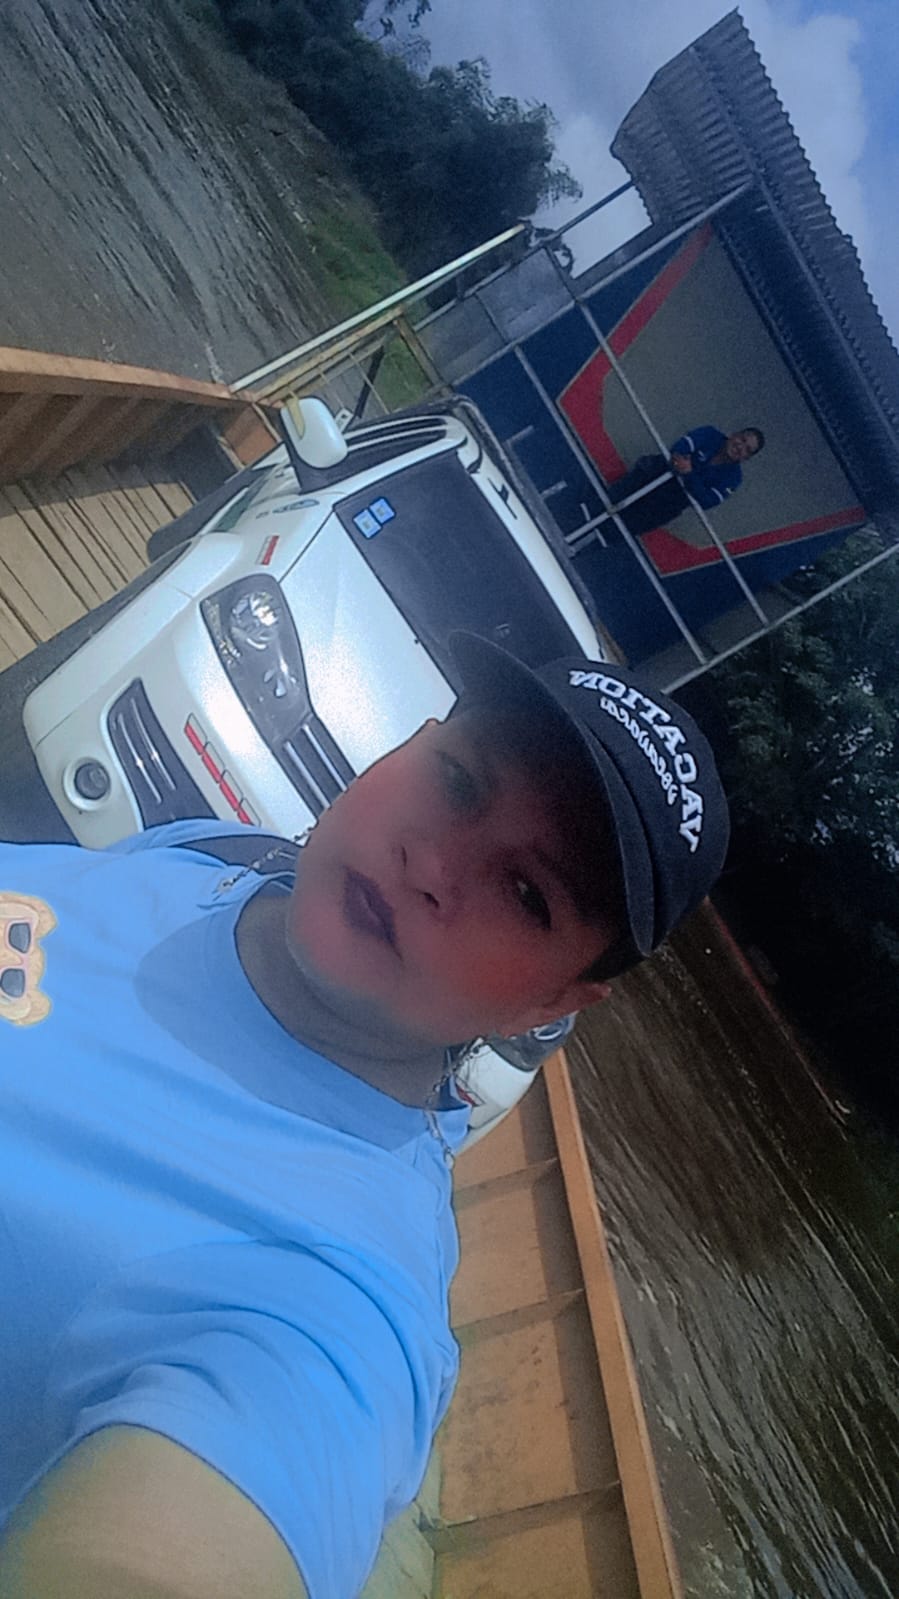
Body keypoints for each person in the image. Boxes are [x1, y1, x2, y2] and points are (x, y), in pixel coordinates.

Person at [0, 632, 729, 1599]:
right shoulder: (225, 856)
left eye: (527, 892)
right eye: (459, 781)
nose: (435, 863)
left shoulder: (330, 1295)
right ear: (409, 743)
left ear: (549, 1005)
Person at [610, 425, 766, 535]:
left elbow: (707, 501)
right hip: (652, 475)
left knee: (618, 532)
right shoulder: (710, 434)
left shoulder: (734, 478)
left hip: (667, 504)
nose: (740, 447)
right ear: (734, 434)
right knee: (607, 501)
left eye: (747, 450)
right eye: (742, 440)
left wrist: (689, 474)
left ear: (747, 458)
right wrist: (687, 473)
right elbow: (680, 448)